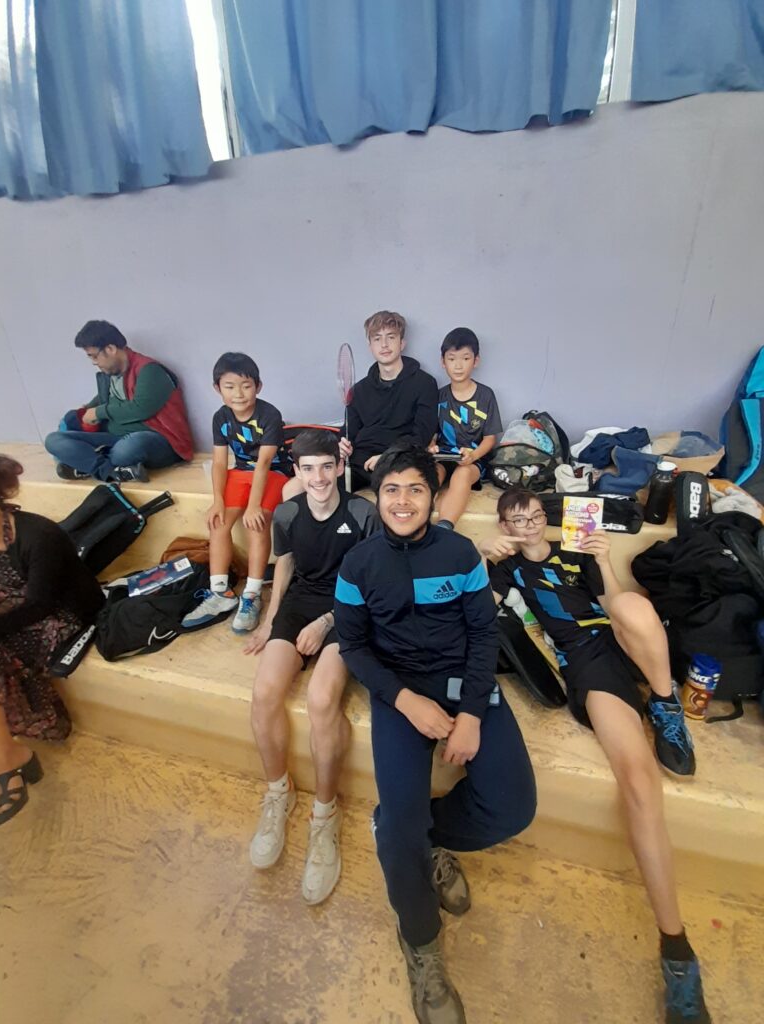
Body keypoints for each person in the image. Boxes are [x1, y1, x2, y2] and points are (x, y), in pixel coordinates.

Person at [480, 487, 711, 1024]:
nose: (527, 526)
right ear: (505, 525)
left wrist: (604, 560)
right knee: (638, 782)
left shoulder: (576, 550)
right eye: (516, 520)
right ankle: (677, 950)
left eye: (534, 516)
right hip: (588, 661)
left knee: (633, 604)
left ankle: (665, 704)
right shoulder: (506, 568)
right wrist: (480, 554)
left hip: (629, 642)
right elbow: (474, 608)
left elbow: (616, 606)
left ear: (545, 517)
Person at [335, 444, 536, 1024]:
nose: (403, 501)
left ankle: (422, 837)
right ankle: (421, 943)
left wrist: (471, 712)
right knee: (401, 830)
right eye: (392, 489)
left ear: (433, 496)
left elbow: (483, 634)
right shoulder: (358, 564)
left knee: (513, 807)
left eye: (415, 489)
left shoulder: (460, 553)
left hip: (463, 683)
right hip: (399, 693)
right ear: (379, 496)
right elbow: (353, 646)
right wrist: (403, 699)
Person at [243, 429, 378, 903]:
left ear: (339, 467)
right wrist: (271, 619)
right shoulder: (287, 512)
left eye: (326, 467)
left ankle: (325, 814)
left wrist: (326, 623)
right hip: (301, 602)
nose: (318, 477)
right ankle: (278, 793)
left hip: (348, 609)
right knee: (264, 693)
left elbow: (370, 583)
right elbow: (285, 563)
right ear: (297, 472)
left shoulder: (362, 513)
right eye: (308, 469)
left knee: (322, 700)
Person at [0, 455, 104, 827]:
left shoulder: (37, 534)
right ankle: (9, 754)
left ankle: (8, 759)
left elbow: (40, 605)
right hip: (13, 610)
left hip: (62, 616)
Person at [182, 352, 288, 635]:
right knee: (218, 522)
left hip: (273, 473)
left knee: (256, 523)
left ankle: (251, 594)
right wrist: (218, 501)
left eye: (246, 386)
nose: (238, 394)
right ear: (217, 389)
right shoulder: (220, 417)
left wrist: (254, 506)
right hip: (240, 473)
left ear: (258, 386)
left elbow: (264, 463)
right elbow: (219, 462)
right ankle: (220, 592)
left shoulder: (269, 415)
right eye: (229, 386)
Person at [44, 320, 193, 483]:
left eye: (94, 356)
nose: (94, 362)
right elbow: (103, 398)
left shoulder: (150, 370)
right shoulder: (111, 373)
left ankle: (87, 464)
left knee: (127, 449)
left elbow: (141, 409)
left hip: (157, 441)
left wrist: (99, 412)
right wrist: (86, 411)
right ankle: (111, 471)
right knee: (54, 440)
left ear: (111, 349)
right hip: (114, 438)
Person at [338, 311, 438, 490]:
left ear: (402, 343)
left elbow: (421, 436)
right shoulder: (358, 391)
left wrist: (387, 457)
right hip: (360, 463)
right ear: (370, 346)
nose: (384, 344)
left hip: (400, 461)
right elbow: (348, 432)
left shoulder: (425, 383)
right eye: (377, 339)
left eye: (391, 337)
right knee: (316, 487)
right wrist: (342, 445)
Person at [430, 327, 502, 529]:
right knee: (429, 473)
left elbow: (490, 439)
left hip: (473, 459)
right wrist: (431, 446)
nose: (458, 365)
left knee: (462, 475)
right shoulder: (439, 396)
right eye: (452, 359)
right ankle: (419, 523)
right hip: (444, 456)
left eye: (465, 358)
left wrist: (473, 455)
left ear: (476, 361)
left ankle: (445, 527)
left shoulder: (486, 395)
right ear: (443, 362)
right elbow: (432, 433)